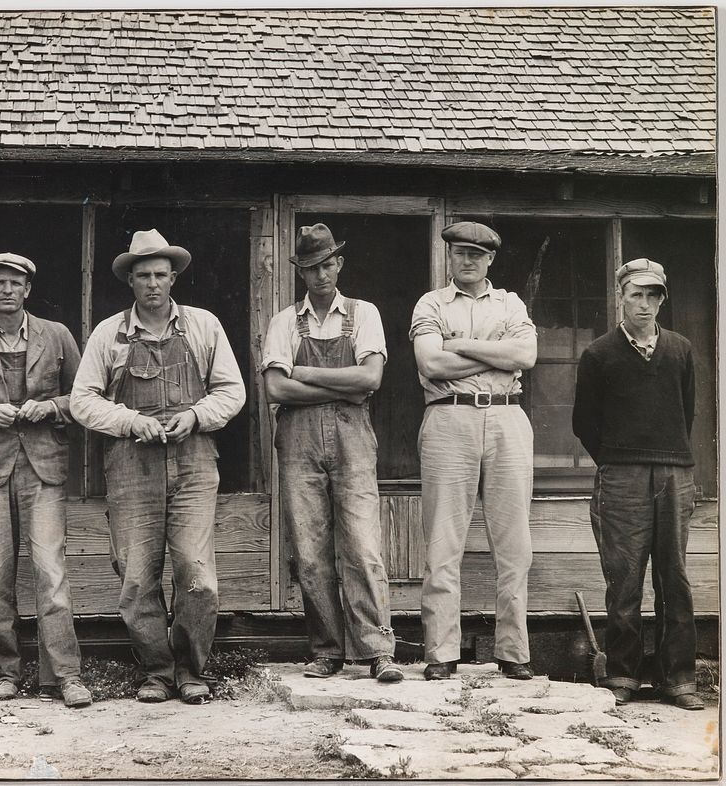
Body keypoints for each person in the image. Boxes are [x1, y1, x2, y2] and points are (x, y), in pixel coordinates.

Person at [71, 229, 245, 704]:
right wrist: (130, 422)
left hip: (193, 464)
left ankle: (191, 669)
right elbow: (82, 401)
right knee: (135, 576)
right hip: (133, 468)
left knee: (198, 574)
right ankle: (157, 671)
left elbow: (233, 391)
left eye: (161, 275)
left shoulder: (204, 326)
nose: (152, 284)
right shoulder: (110, 334)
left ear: (174, 278)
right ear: (130, 280)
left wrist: (195, 416)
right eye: (143, 275)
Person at [0, 253, 92, 708]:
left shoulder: (58, 336)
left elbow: (85, 398)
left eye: (16, 283)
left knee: (50, 572)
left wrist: (50, 408)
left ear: (29, 289)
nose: (7, 290)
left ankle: (64, 675)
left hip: (43, 467)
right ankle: (6, 671)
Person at [261, 223, 400, 683]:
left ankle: (378, 650)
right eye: (311, 268)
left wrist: (303, 373)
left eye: (327, 265)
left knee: (362, 545)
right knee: (310, 549)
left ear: (339, 264)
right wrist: (340, 386)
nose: (321, 275)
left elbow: (370, 380)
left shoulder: (364, 314)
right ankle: (327, 650)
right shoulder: (284, 321)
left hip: (352, 439)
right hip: (298, 442)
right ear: (301, 272)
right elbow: (275, 388)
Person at [409, 221, 537, 681]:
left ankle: (514, 651)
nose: (467, 261)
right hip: (449, 417)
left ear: (490, 260)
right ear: (451, 256)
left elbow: (525, 357)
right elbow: (431, 362)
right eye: (460, 253)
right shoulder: (431, 303)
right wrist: (492, 352)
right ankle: (442, 653)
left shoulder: (510, 303)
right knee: (444, 541)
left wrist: (460, 344)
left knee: (514, 543)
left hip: (507, 417)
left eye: (476, 255)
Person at [573, 259, 703, 711]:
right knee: (625, 579)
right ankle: (623, 674)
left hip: (673, 472)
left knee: (675, 577)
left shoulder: (681, 350)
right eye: (636, 295)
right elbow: (584, 423)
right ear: (621, 298)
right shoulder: (599, 354)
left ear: (661, 299)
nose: (644, 304)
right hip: (621, 475)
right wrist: (617, 462)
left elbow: (685, 415)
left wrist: (667, 459)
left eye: (653, 296)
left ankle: (678, 678)